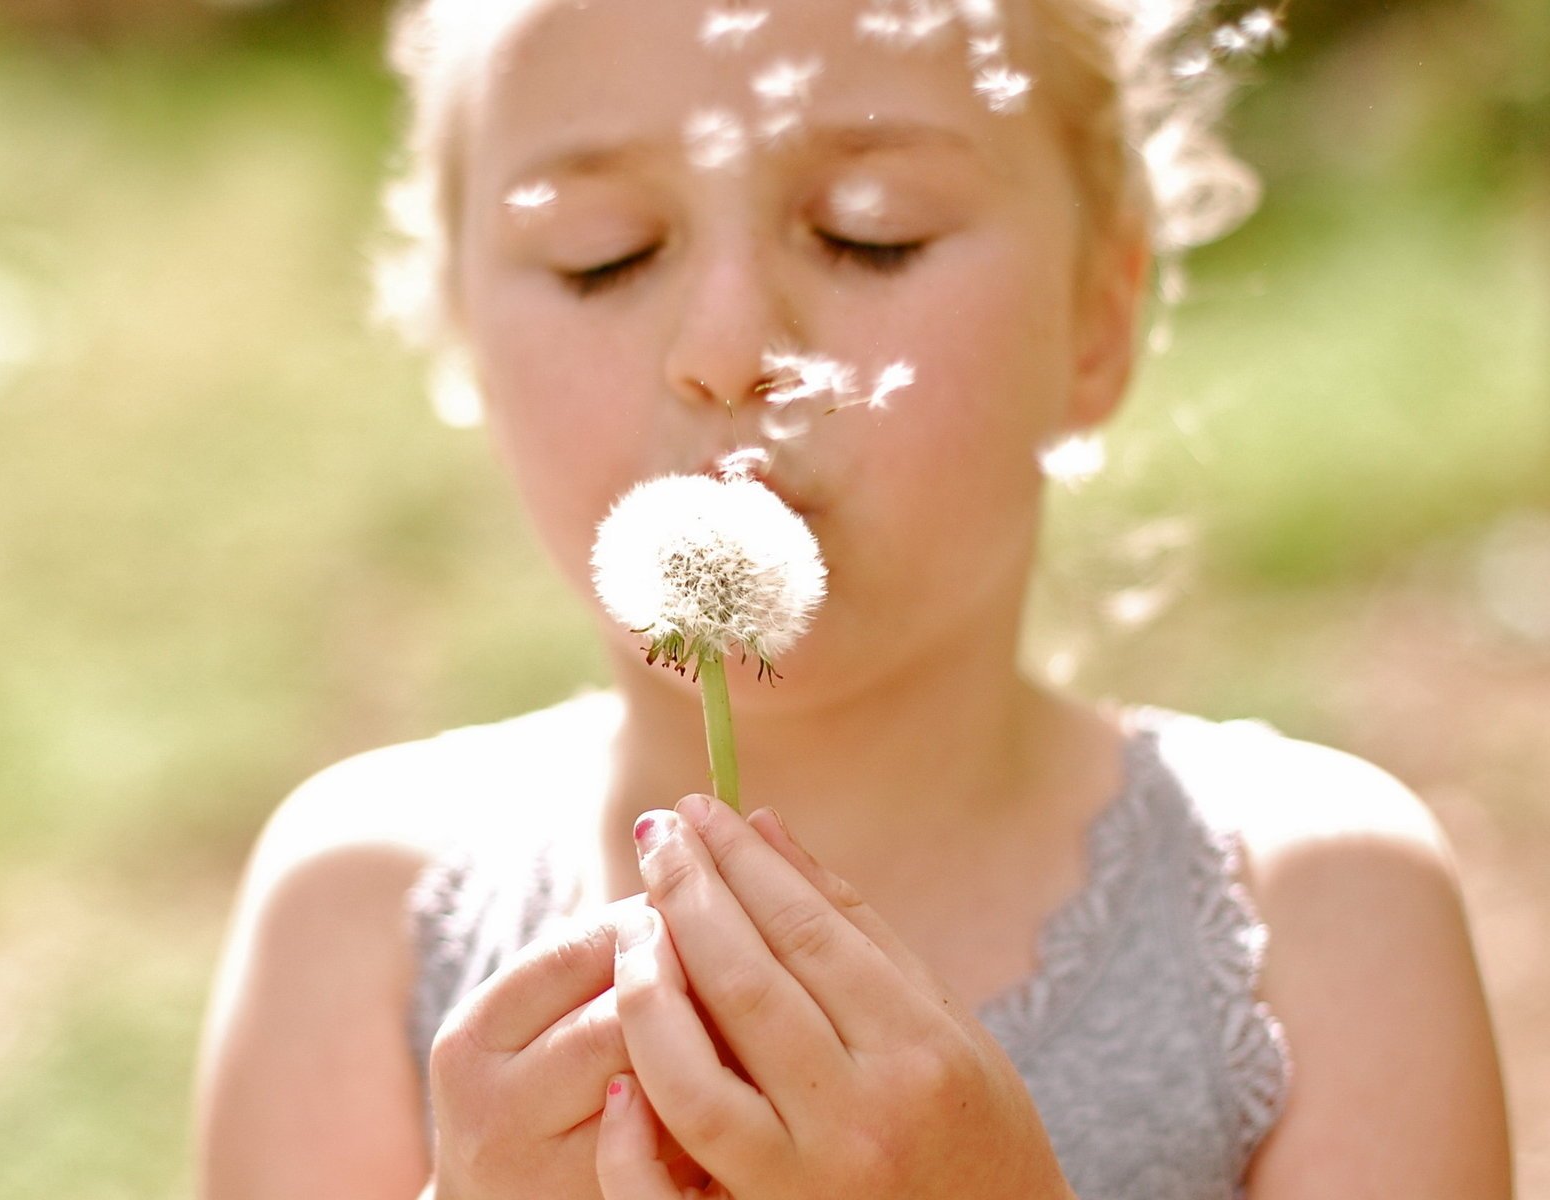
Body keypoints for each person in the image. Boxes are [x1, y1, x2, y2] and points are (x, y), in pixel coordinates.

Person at [193, 0, 1514, 1195]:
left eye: (867, 233)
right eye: (604, 256)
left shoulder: (1316, 920)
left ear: (1100, 314)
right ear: (464, 338)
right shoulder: (355, 918)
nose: (722, 352)